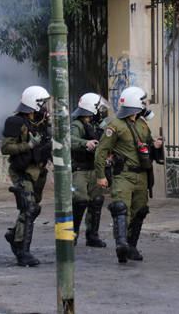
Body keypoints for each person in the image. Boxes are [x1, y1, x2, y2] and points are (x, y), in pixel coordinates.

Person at [95, 86, 163, 263]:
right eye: (142, 102)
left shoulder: (142, 124)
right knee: (121, 209)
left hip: (142, 176)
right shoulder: (115, 126)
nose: (144, 105)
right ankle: (121, 245)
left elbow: (147, 144)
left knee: (139, 211)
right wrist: (101, 175)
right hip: (123, 175)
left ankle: (132, 245)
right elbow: (102, 151)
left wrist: (154, 145)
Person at [1, 85, 52, 267]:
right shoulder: (15, 122)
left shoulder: (43, 122)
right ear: (33, 104)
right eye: (42, 103)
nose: (45, 107)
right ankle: (23, 251)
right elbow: (6, 148)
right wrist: (28, 146)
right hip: (22, 170)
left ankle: (14, 235)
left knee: (34, 209)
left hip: (39, 171)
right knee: (28, 208)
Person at [70, 92, 110, 248]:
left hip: (94, 169)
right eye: (99, 108)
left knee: (97, 201)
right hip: (79, 170)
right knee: (80, 201)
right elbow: (70, 139)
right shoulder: (77, 125)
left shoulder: (97, 125)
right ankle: (71, 235)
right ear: (91, 109)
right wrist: (85, 143)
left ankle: (92, 236)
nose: (102, 111)